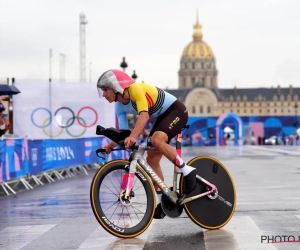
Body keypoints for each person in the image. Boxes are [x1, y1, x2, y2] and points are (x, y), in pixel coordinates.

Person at [97, 69, 196, 219]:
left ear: (116, 87)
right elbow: (124, 132)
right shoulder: (119, 107)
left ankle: (188, 171)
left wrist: (133, 136)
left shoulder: (135, 90)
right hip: (162, 117)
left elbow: (144, 116)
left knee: (156, 140)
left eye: (105, 89)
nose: (104, 94)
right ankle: (165, 199)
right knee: (151, 158)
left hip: (176, 111)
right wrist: (110, 146)